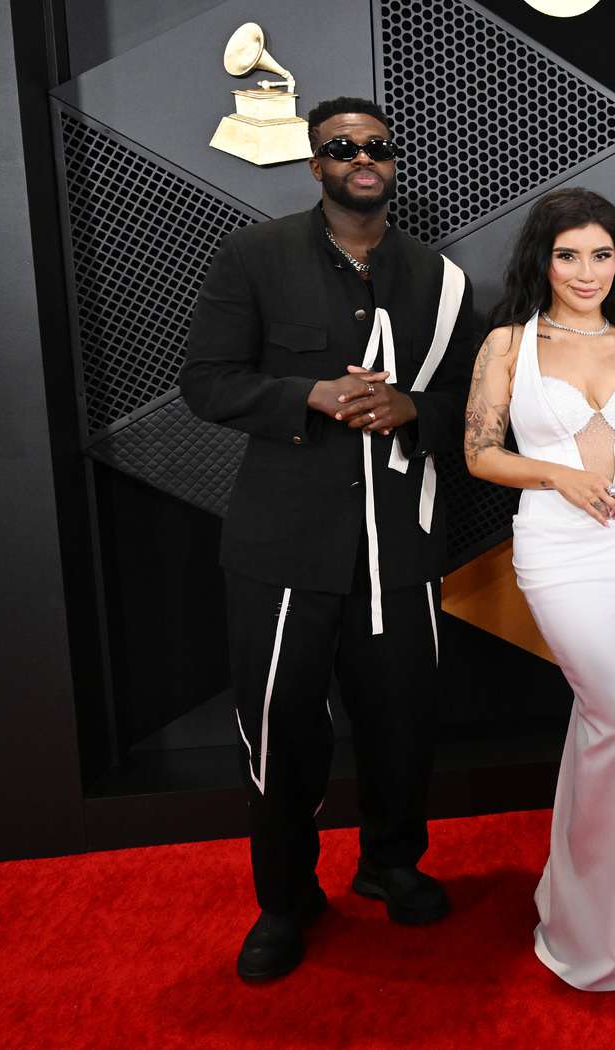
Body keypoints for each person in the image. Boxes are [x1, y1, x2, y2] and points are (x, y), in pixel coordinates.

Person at [180, 97, 478, 981]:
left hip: (400, 548)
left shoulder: (439, 278)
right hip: (283, 550)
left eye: (376, 146)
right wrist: (305, 396)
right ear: (315, 164)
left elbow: (478, 403)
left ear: (393, 162)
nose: (361, 158)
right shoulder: (254, 257)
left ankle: (391, 864)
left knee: (401, 719)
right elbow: (205, 382)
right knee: (280, 731)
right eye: (341, 147)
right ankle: (285, 901)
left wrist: (414, 407)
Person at [465, 187, 615, 991]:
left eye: (600, 254)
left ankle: (581, 905)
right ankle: (594, 919)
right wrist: (560, 476)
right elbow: (481, 455)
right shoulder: (508, 346)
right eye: (568, 255)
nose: (585, 271)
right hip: (558, 551)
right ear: (542, 260)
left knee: (607, 729)